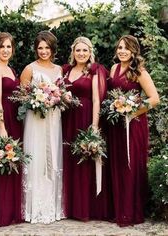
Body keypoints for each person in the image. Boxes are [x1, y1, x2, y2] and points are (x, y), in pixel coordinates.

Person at [107, 35, 160, 226]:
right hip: (115, 126)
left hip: (134, 123)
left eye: (126, 48)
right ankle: (119, 209)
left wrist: (131, 111)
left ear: (134, 51)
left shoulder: (139, 71)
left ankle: (131, 212)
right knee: (117, 164)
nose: (122, 51)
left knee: (131, 165)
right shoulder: (113, 68)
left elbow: (154, 98)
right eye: (120, 47)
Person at [62, 36, 114, 221]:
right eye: (78, 50)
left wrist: (94, 125)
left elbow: (96, 99)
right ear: (73, 52)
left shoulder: (95, 71)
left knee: (85, 160)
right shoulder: (66, 70)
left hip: (86, 117)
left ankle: (87, 208)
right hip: (68, 119)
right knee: (70, 160)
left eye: (85, 50)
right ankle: (71, 208)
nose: (81, 53)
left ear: (90, 52)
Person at [20, 30, 64, 224]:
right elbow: (21, 96)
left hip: (53, 118)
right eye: (40, 48)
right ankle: (33, 208)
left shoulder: (59, 70)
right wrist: (38, 99)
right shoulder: (30, 69)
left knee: (52, 156)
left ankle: (51, 208)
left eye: (47, 47)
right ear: (36, 49)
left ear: (52, 48)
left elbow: (61, 92)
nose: (43, 51)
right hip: (35, 118)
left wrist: (55, 98)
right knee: (36, 156)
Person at [0, 32, 23, 226]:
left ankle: (12, 211)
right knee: (3, 163)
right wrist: (1, 126)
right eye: (2, 47)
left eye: (9, 47)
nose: (6, 50)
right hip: (3, 120)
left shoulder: (10, 69)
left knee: (13, 162)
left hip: (15, 119)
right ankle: (0, 214)